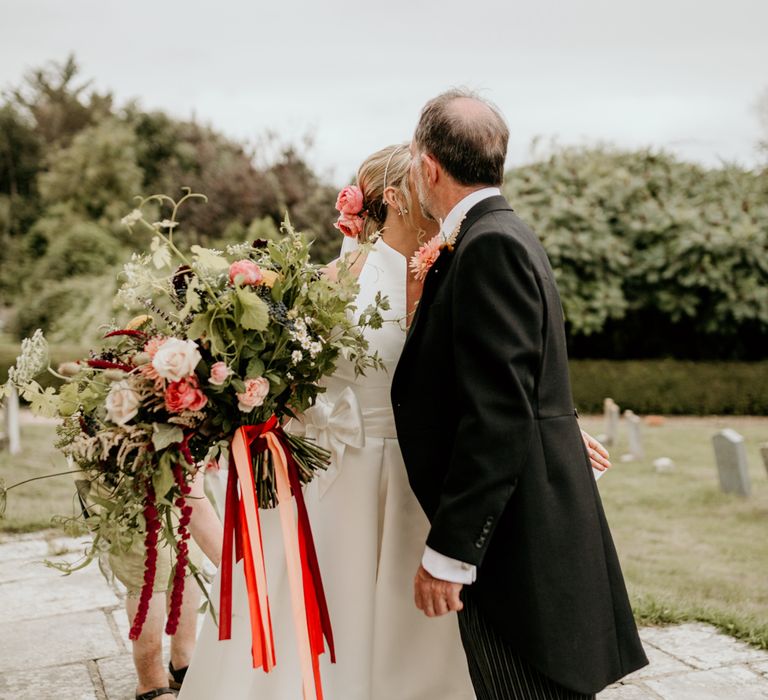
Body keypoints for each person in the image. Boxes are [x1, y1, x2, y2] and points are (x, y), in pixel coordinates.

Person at [179, 143, 611, 699]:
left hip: (419, 481)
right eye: (425, 184)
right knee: (330, 619)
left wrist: (553, 425)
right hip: (335, 481)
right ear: (396, 199)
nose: (440, 195)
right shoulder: (327, 283)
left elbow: (493, 374)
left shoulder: (452, 269)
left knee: (418, 636)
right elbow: (289, 385)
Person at [391, 89, 649, 700]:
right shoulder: (501, 234)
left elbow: (499, 413)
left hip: (516, 542)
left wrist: (449, 555)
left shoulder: (490, 246)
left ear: (429, 166)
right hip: (523, 525)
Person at [84, 468, 222, 700]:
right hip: (119, 453)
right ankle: (150, 680)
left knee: (185, 544)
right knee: (145, 556)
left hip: (174, 447)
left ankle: (183, 657)